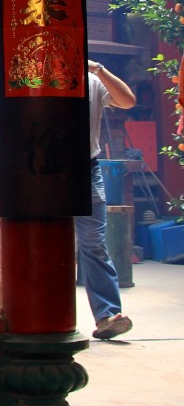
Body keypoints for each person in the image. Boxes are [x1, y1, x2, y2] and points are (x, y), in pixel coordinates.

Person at [82, 59, 136, 340]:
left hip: (86, 169)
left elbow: (127, 101)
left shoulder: (92, 80)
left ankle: (107, 316)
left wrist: (100, 70)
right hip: (41, 170)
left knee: (94, 243)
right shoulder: (31, 77)